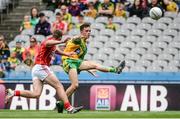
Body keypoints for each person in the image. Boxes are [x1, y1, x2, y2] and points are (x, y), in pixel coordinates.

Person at [6, 30, 83, 113]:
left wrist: (67, 54)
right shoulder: (48, 41)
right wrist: (62, 41)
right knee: (59, 86)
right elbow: (48, 43)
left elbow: (56, 51)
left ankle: (13, 92)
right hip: (41, 67)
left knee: (36, 94)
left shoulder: (52, 44)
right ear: (59, 37)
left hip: (36, 69)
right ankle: (69, 108)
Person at [56, 23, 125, 113]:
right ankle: (64, 104)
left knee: (94, 65)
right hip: (69, 61)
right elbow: (75, 39)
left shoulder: (84, 44)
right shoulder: (78, 39)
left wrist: (88, 69)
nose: (89, 32)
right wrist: (78, 37)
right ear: (81, 32)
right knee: (75, 85)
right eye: (86, 31)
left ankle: (116, 70)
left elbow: (80, 60)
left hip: (76, 63)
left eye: (90, 31)